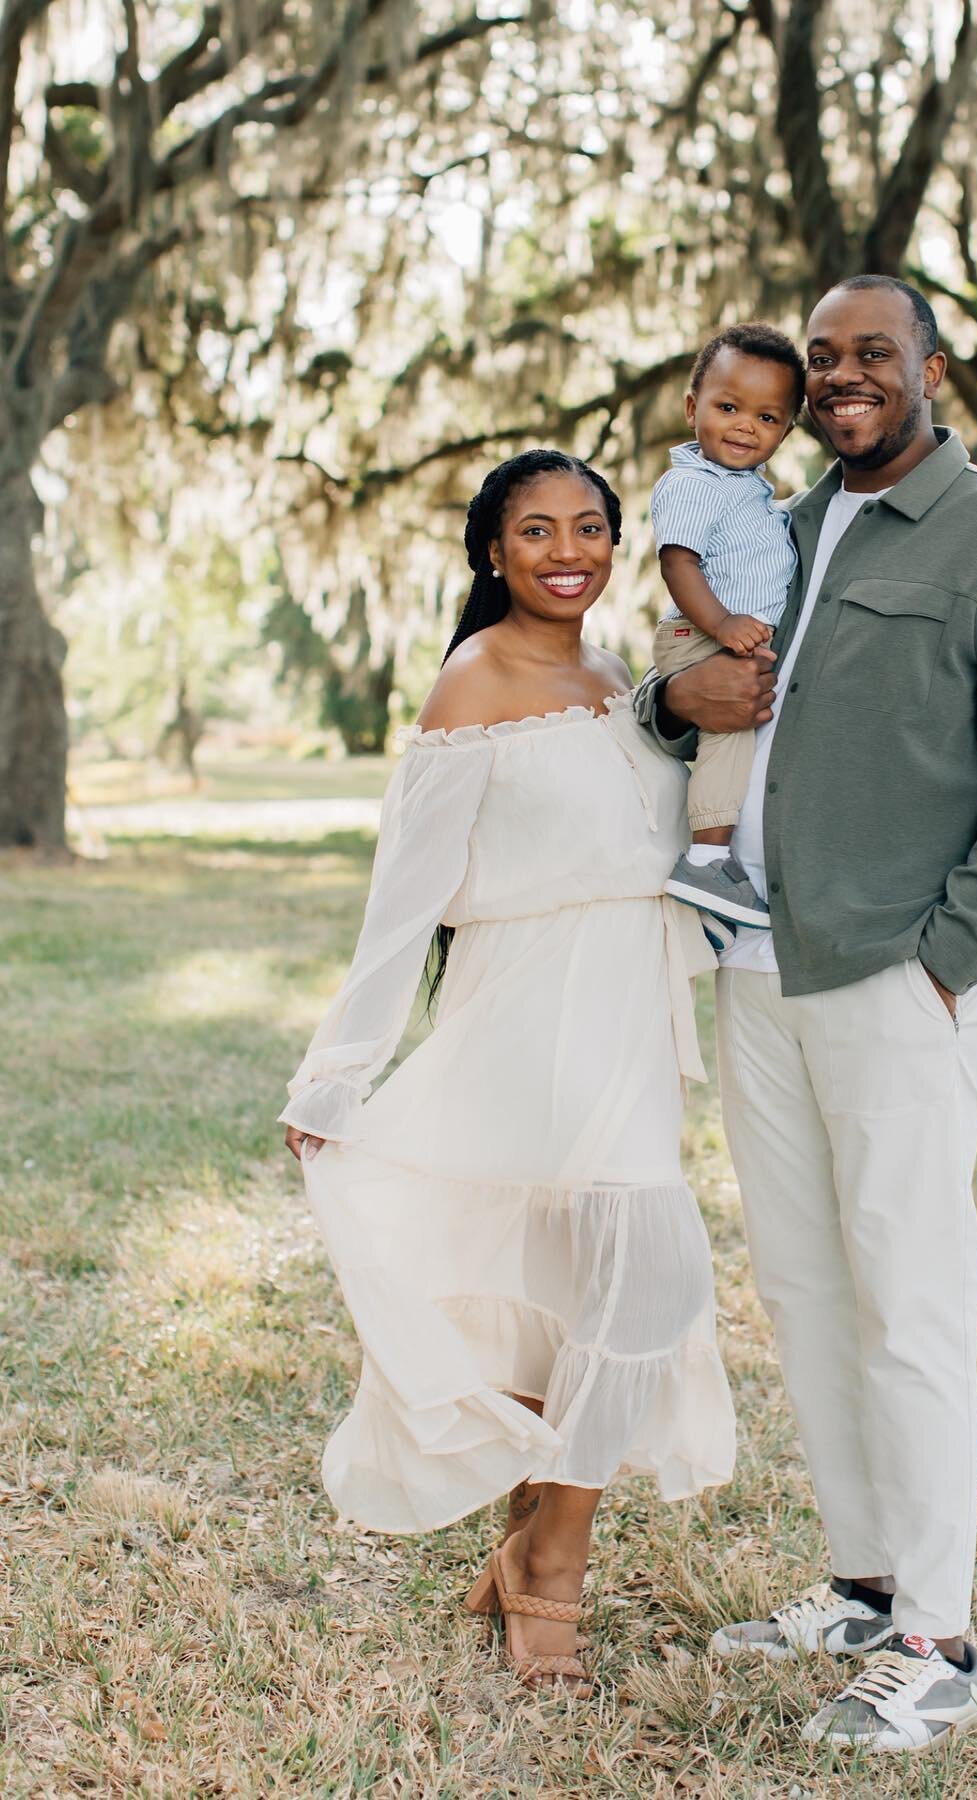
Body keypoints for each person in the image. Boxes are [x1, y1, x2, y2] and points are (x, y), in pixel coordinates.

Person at [636, 275, 977, 1754]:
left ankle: (940, 1640)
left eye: (871, 356)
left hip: (900, 976)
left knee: (911, 1304)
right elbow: (695, 688)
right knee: (807, 1293)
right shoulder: (783, 523)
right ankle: (861, 1580)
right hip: (758, 966)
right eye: (821, 358)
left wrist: (953, 957)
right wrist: (667, 708)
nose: (842, 380)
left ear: (931, 369)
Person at [280, 449, 733, 1697]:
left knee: (615, 1285)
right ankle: (554, 1567)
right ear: (493, 552)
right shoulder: (471, 682)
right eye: (536, 532)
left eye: (589, 526)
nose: (567, 551)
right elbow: (404, 898)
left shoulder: (625, 671)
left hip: (629, 1011)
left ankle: (540, 1542)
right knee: (646, 1270)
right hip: (529, 1011)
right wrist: (339, 1071)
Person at [650, 323, 804, 931]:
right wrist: (722, 622)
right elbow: (677, 561)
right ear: (693, 409)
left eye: (767, 418)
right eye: (728, 407)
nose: (745, 425)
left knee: (738, 734)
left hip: (726, 633)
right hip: (702, 635)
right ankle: (707, 862)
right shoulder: (694, 482)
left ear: (787, 430)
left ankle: (715, 890)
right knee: (730, 734)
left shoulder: (749, 491)